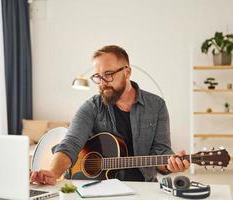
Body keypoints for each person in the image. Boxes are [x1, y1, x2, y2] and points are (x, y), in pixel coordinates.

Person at [30, 45, 190, 185]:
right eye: (98, 77)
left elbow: (160, 151)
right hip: (99, 188)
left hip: (144, 186)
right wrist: (53, 172)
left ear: (127, 72)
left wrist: (170, 164)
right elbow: (70, 144)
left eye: (108, 74)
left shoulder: (156, 105)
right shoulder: (91, 107)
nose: (102, 82)